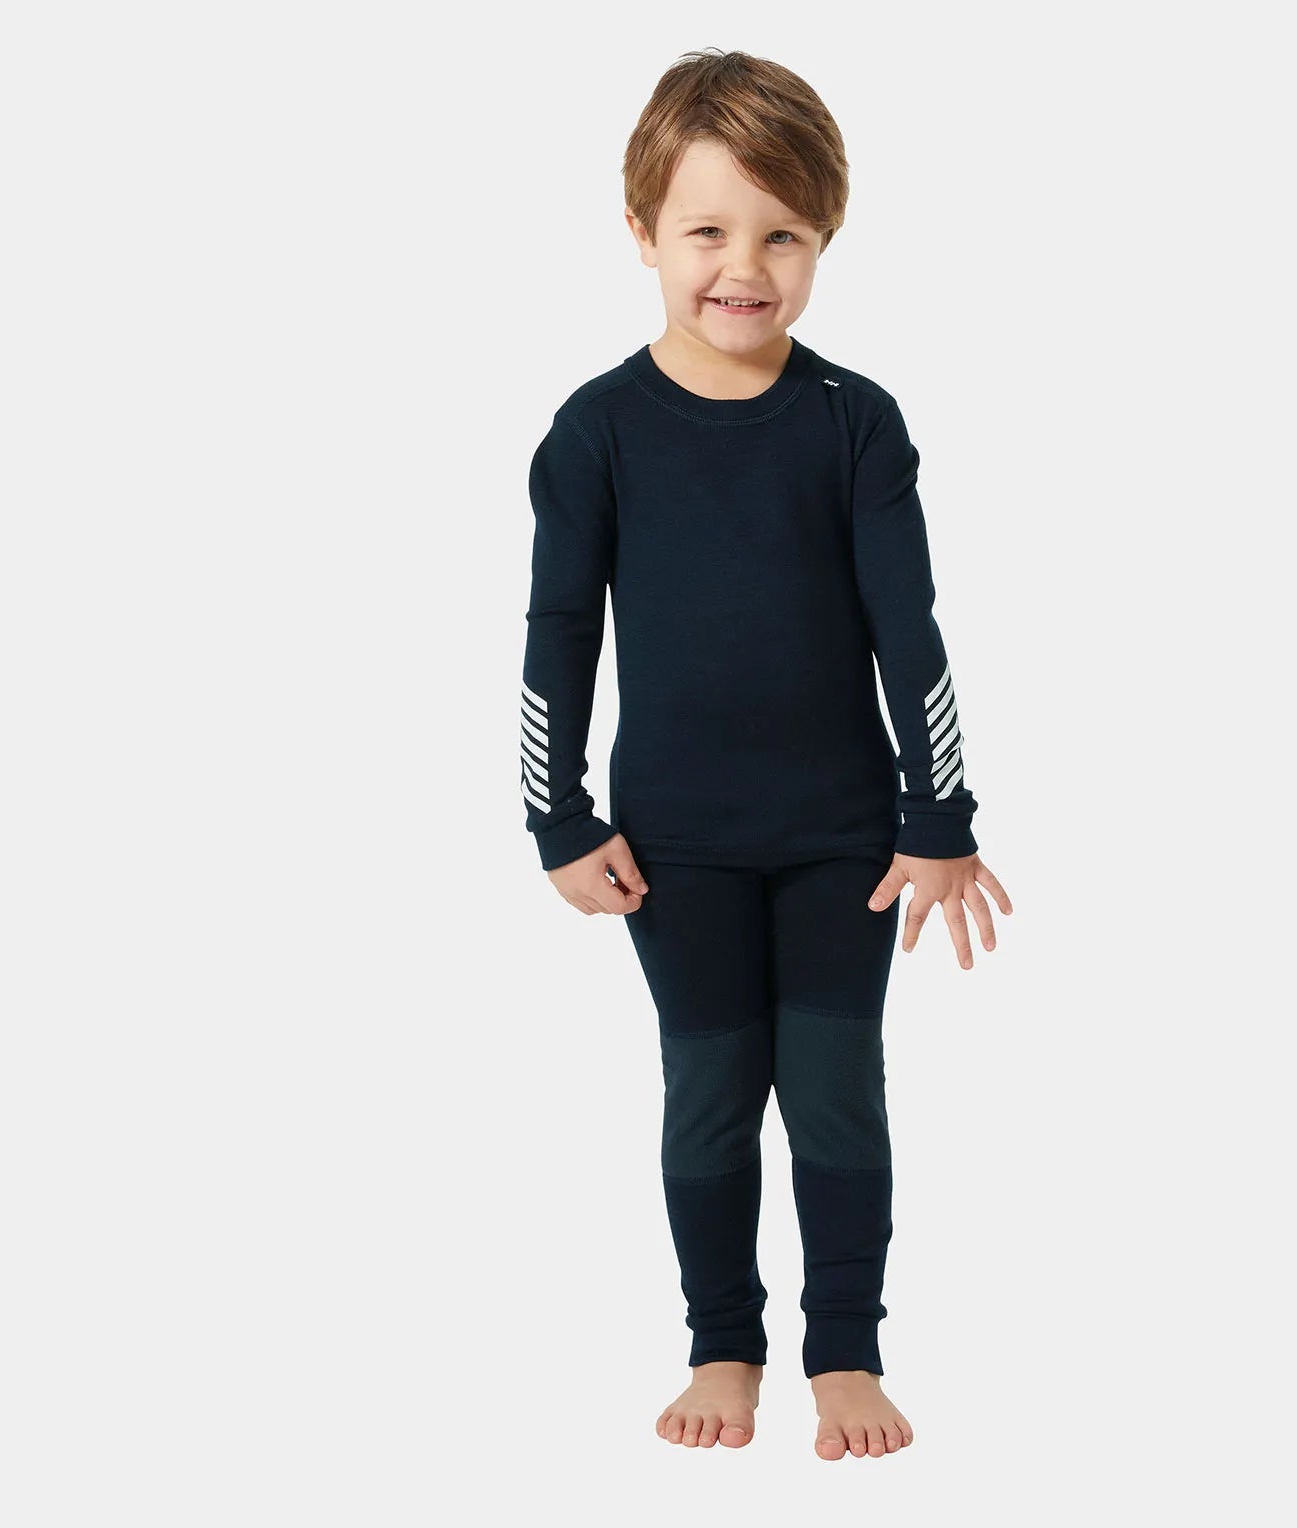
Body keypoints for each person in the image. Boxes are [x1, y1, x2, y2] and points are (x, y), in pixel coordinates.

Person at [517, 47, 1012, 1461]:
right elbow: (558, 634)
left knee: (838, 1088)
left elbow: (908, 630)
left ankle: (844, 1348)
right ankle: (722, 1342)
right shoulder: (597, 433)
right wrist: (559, 820)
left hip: (843, 839)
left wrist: (940, 815)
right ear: (642, 234)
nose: (745, 267)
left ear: (824, 239)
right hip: (673, 845)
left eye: (783, 234)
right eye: (708, 231)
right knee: (713, 1093)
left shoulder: (856, 421)